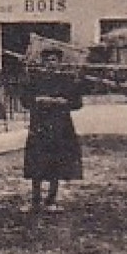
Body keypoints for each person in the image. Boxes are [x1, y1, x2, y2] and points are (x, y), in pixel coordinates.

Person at [20, 46, 84, 214]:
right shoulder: (35, 79)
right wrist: (38, 100)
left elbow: (77, 103)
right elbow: (25, 101)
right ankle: (35, 199)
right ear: (43, 62)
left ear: (59, 63)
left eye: (54, 60)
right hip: (39, 126)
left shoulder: (66, 80)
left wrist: (63, 102)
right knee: (37, 162)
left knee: (56, 162)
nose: (51, 64)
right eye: (48, 61)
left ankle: (51, 199)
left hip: (60, 127)